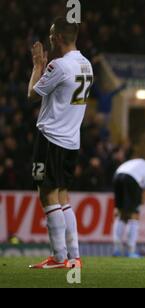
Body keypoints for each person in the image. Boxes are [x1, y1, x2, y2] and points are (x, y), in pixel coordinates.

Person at [28, 17, 93, 269]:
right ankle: (74, 257)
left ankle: (58, 257)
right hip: (71, 140)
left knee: (47, 194)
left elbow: (32, 95)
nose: (50, 38)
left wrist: (37, 65)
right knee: (63, 197)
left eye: (51, 34)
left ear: (57, 37)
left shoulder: (59, 65)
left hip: (51, 138)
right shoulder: (86, 64)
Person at [112, 158, 145, 258]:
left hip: (117, 175)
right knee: (134, 215)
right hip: (131, 178)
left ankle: (117, 250)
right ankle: (131, 251)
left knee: (121, 214)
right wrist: (139, 203)